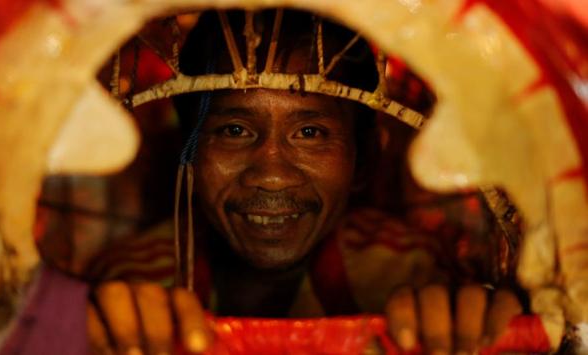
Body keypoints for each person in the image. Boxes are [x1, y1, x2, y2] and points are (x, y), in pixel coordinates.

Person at [85, 10, 525, 355]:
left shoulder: (407, 267)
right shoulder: (134, 284)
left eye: (310, 133)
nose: (272, 175)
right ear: (189, 153)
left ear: (365, 158)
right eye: (234, 130)